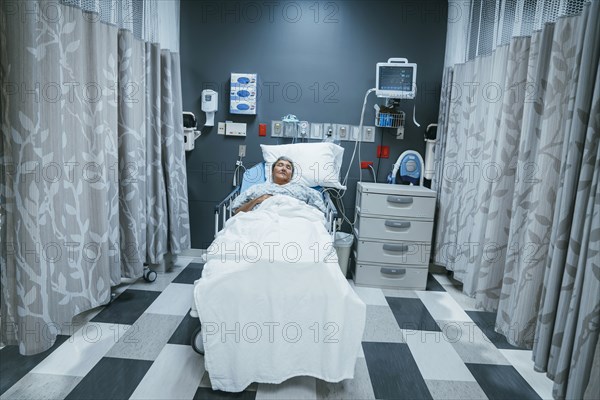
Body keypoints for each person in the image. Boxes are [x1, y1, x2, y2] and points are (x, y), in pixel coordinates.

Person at [231, 156, 327, 215]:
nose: (284, 168)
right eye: (280, 165)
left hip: (294, 222)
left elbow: (318, 214)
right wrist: (256, 200)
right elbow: (237, 212)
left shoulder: (304, 190)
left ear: (291, 174)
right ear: (273, 171)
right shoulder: (257, 189)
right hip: (260, 221)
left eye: (288, 167)